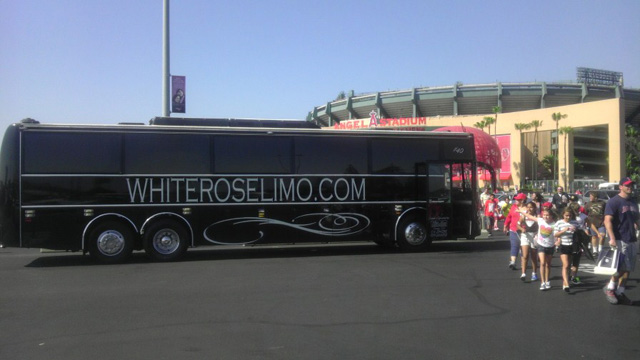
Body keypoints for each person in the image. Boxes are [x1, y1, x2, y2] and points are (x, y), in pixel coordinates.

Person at [602, 177, 640, 305]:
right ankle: (610, 288)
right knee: (620, 267)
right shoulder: (614, 202)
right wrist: (612, 238)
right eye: (627, 185)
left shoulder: (633, 202)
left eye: (631, 185)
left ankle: (620, 291)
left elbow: (636, 220)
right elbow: (607, 221)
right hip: (620, 238)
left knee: (628, 268)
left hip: (632, 238)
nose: (630, 187)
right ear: (621, 187)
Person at [520, 207, 556, 290]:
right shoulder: (540, 221)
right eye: (544, 215)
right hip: (541, 245)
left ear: (551, 216)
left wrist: (557, 241)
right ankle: (542, 282)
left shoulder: (554, 224)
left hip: (550, 246)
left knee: (548, 264)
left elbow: (557, 234)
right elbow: (529, 216)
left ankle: (547, 281)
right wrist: (522, 212)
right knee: (542, 263)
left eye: (547, 215)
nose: (545, 217)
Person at [554, 208, 579, 293]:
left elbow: (579, 232)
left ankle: (566, 281)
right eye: (566, 215)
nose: (568, 217)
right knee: (566, 265)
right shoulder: (559, 223)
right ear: (563, 215)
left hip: (573, 245)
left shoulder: (575, 222)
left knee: (570, 266)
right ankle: (566, 284)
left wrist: (576, 230)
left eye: (570, 215)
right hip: (563, 245)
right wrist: (563, 230)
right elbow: (555, 234)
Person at [504, 192, 527, 270]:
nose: (515, 201)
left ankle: (523, 262)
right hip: (513, 229)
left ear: (522, 200)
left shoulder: (527, 208)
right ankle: (513, 262)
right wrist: (505, 225)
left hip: (524, 231)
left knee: (523, 248)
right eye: (516, 199)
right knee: (514, 245)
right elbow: (509, 217)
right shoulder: (513, 207)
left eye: (518, 200)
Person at [517, 201, 539, 281]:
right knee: (525, 255)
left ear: (534, 208)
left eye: (531, 207)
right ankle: (523, 273)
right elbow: (518, 224)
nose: (529, 209)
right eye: (528, 207)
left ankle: (534, 273)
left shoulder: (537, 216)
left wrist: (538, 234)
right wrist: (521, 228)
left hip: (534, 236)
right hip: (525, 236)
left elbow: (541, 225)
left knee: (533, 256)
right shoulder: (523, 216)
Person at [584, 191, 606, 257]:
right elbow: (585, 213)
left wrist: (605, 220)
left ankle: (600, 249)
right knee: (594, 236)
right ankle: (595, 250)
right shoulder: (588, 204)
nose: (590, 197)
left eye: (591, 196)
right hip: (592, 223)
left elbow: (606, 212)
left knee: (602, 235)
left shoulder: (602, 203)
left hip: (601, 222)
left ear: (595, 197)